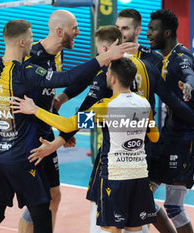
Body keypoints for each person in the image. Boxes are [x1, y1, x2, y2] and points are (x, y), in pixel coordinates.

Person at [0, 19, 135, 233]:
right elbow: (78, 99)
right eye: (31, 37)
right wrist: (58, 126)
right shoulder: (28, 71)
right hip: (33, 155)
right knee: (47, 213)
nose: (34, 41)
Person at [10, 57, 160, 233]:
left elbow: (68, 125)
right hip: (140, 175)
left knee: (111, 229)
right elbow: (155, 136)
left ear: (112, 78)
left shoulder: (105, 107)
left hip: (116, 176)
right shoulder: (144, 104)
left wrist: (35, 109)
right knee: (135, 229)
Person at [0, 9, 81, 233]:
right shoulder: (31, 59)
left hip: (46, 133)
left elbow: (83, 90)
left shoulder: (59, 54)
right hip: (28, 139)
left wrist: (60, 105)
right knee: (38, 205)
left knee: (53, 197)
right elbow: (5, 100)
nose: (78, 33)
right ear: (60, 32)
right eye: (75, 28)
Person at [145, 9, 194, 233]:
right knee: (143, 195)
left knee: (173, 206)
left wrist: (189, 86)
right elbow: (189, 86)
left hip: (186, 139)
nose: (148, 33)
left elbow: (188, 76)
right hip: (168, 135)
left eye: (153, 29)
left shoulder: (181, 58)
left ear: (167, 32)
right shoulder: (165, 57)